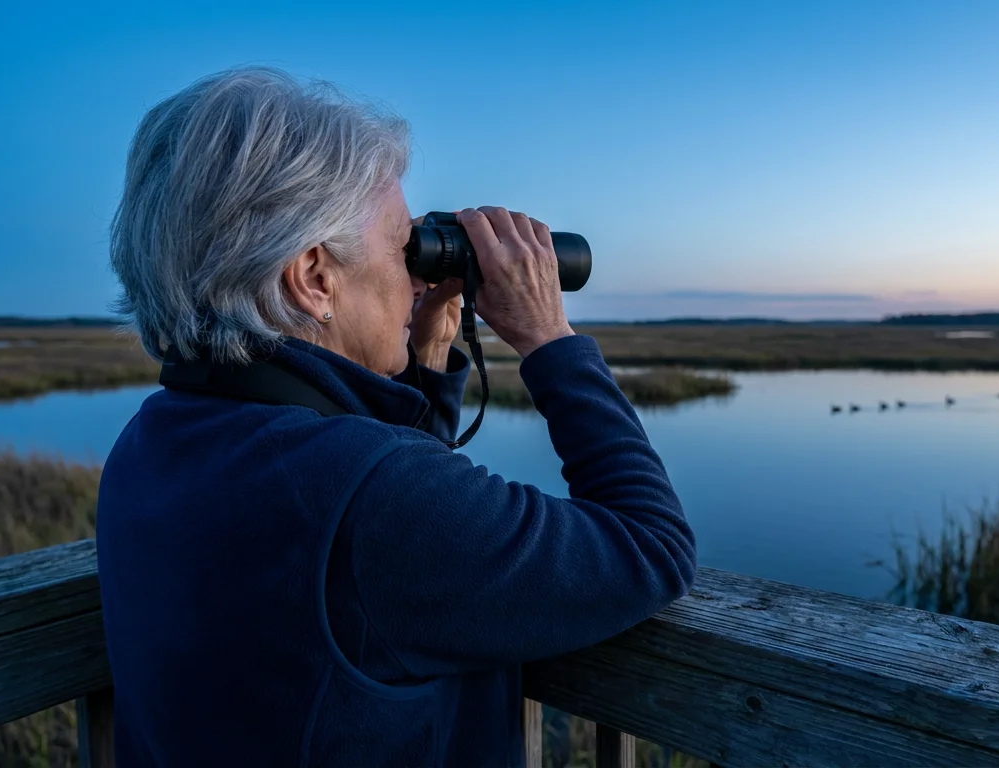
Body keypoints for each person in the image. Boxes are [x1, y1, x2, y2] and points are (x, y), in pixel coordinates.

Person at [95, 66, 696, 767]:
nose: (416, 273)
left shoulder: (153, 440)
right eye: (400, 245)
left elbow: (368, 573)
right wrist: (549, 340)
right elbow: (650, 548)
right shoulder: (370, 493)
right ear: (314, 276)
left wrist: (426, 370)